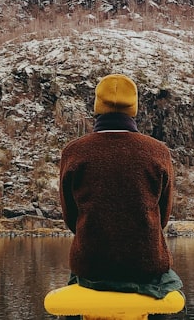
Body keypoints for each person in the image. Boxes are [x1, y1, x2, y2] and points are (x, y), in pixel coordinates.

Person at [58, 73, 182, 299]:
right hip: (146, 267)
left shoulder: (73, 152)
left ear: (97, 106)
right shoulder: (158, 152)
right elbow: (162, 218)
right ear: (133, 108)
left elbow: (71, 218)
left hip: (91, 266)